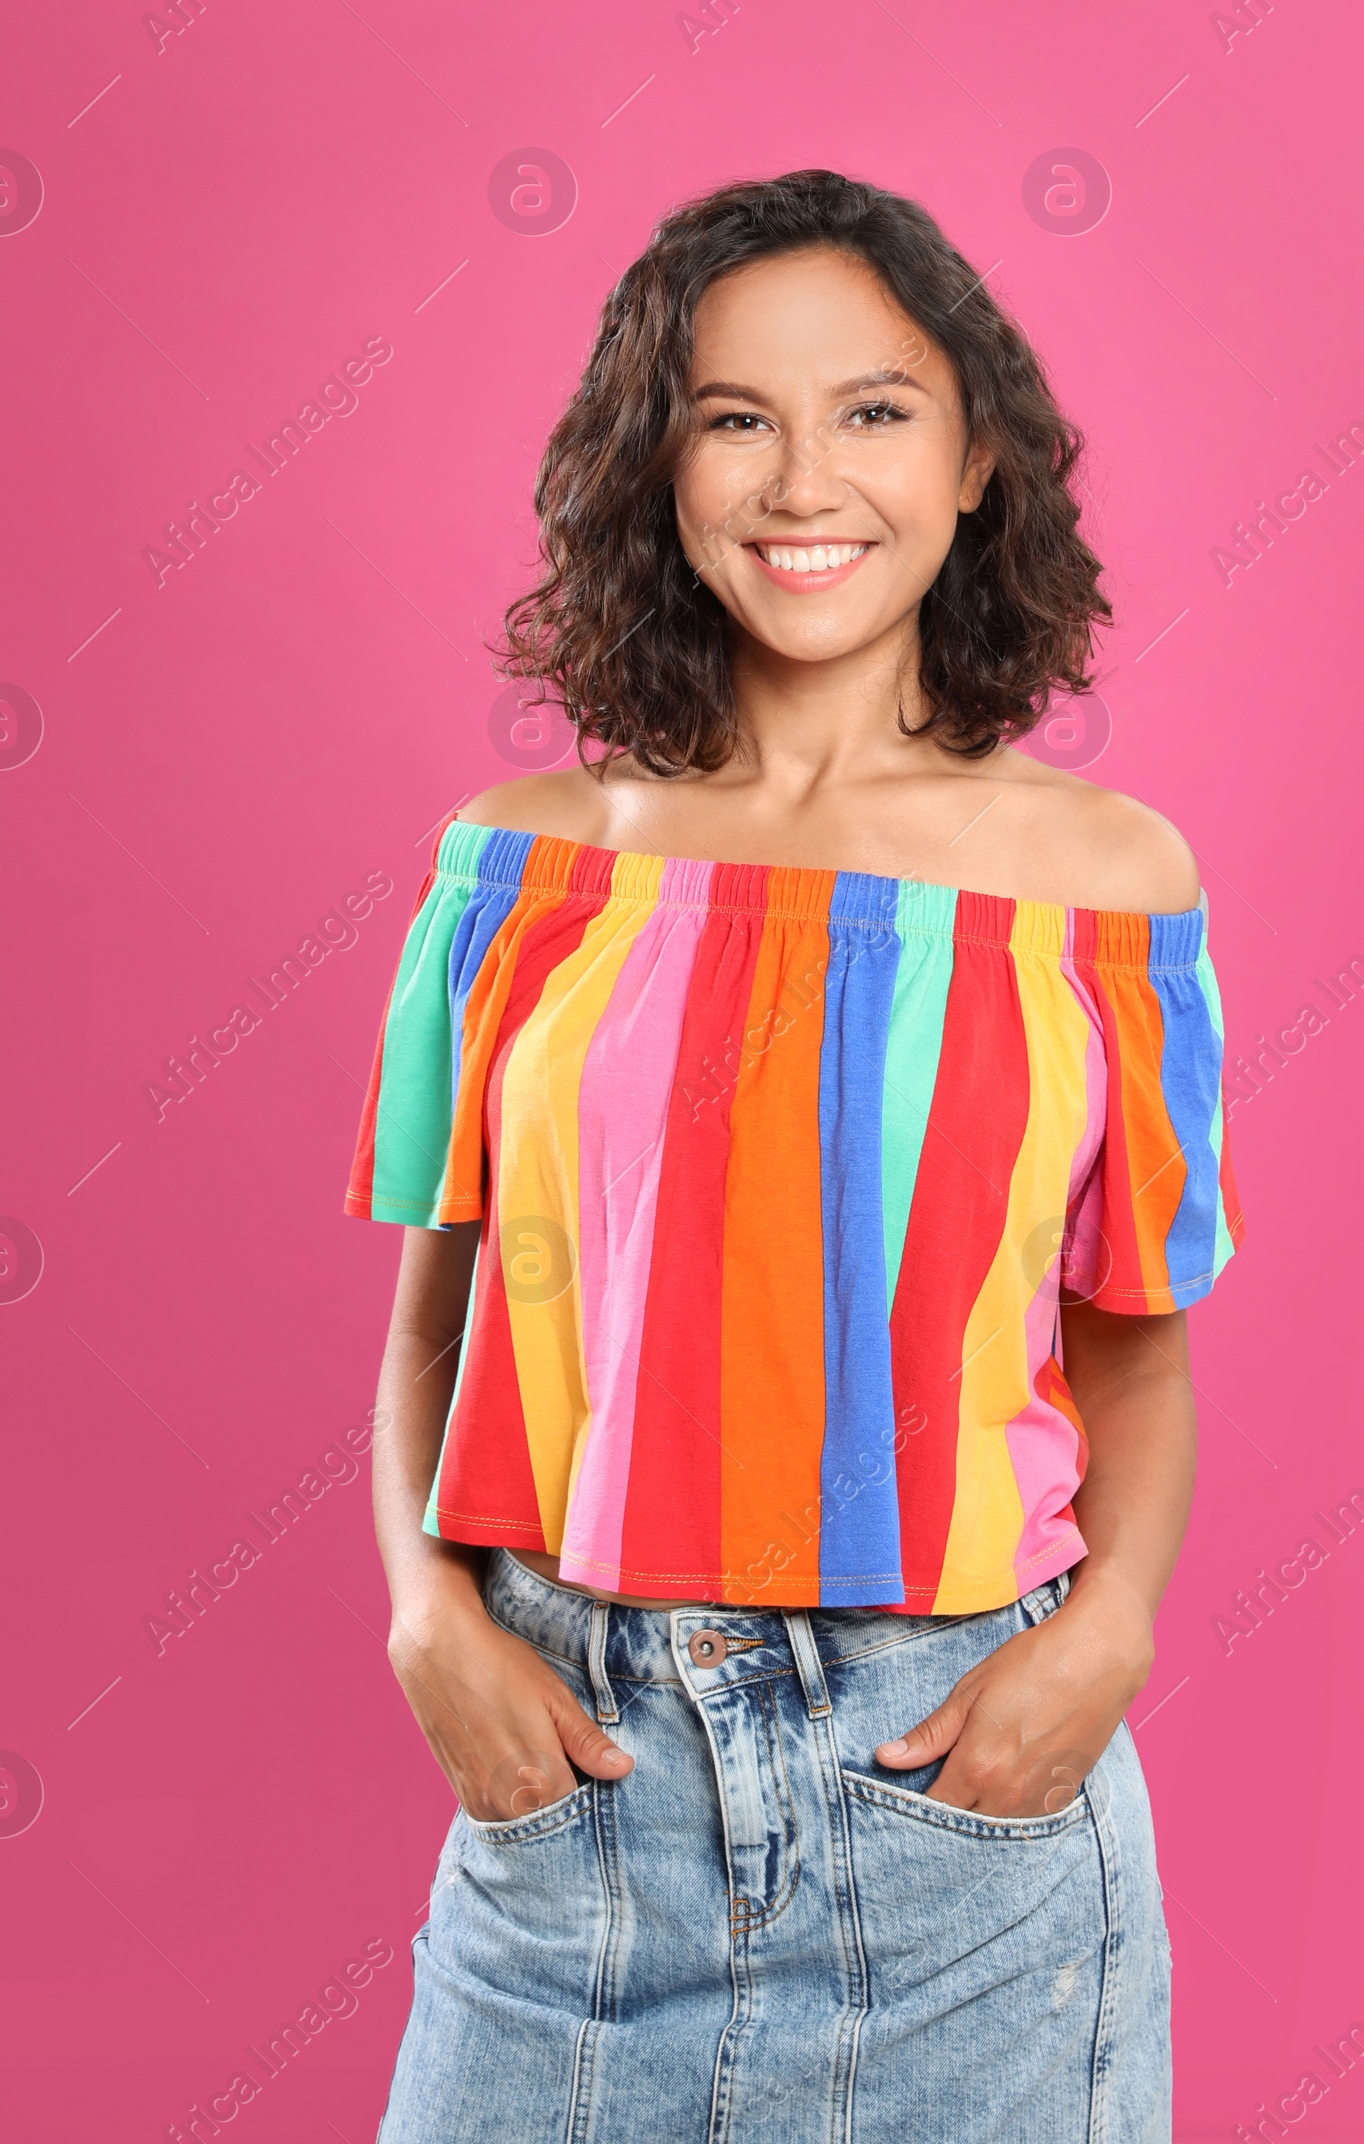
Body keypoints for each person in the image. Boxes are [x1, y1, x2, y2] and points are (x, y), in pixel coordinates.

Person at [346, 169, 1244, 2142]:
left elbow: (1135, 1341)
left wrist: (1106, 1633)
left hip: (953, 1791)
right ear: (654, 466)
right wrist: (425, 1605)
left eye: (872, 409)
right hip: (574, 1772)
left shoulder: (1102, 879)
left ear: (974, 453)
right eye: (731, 415)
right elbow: (439, 1315)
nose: (797, 477)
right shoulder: (521, 865)